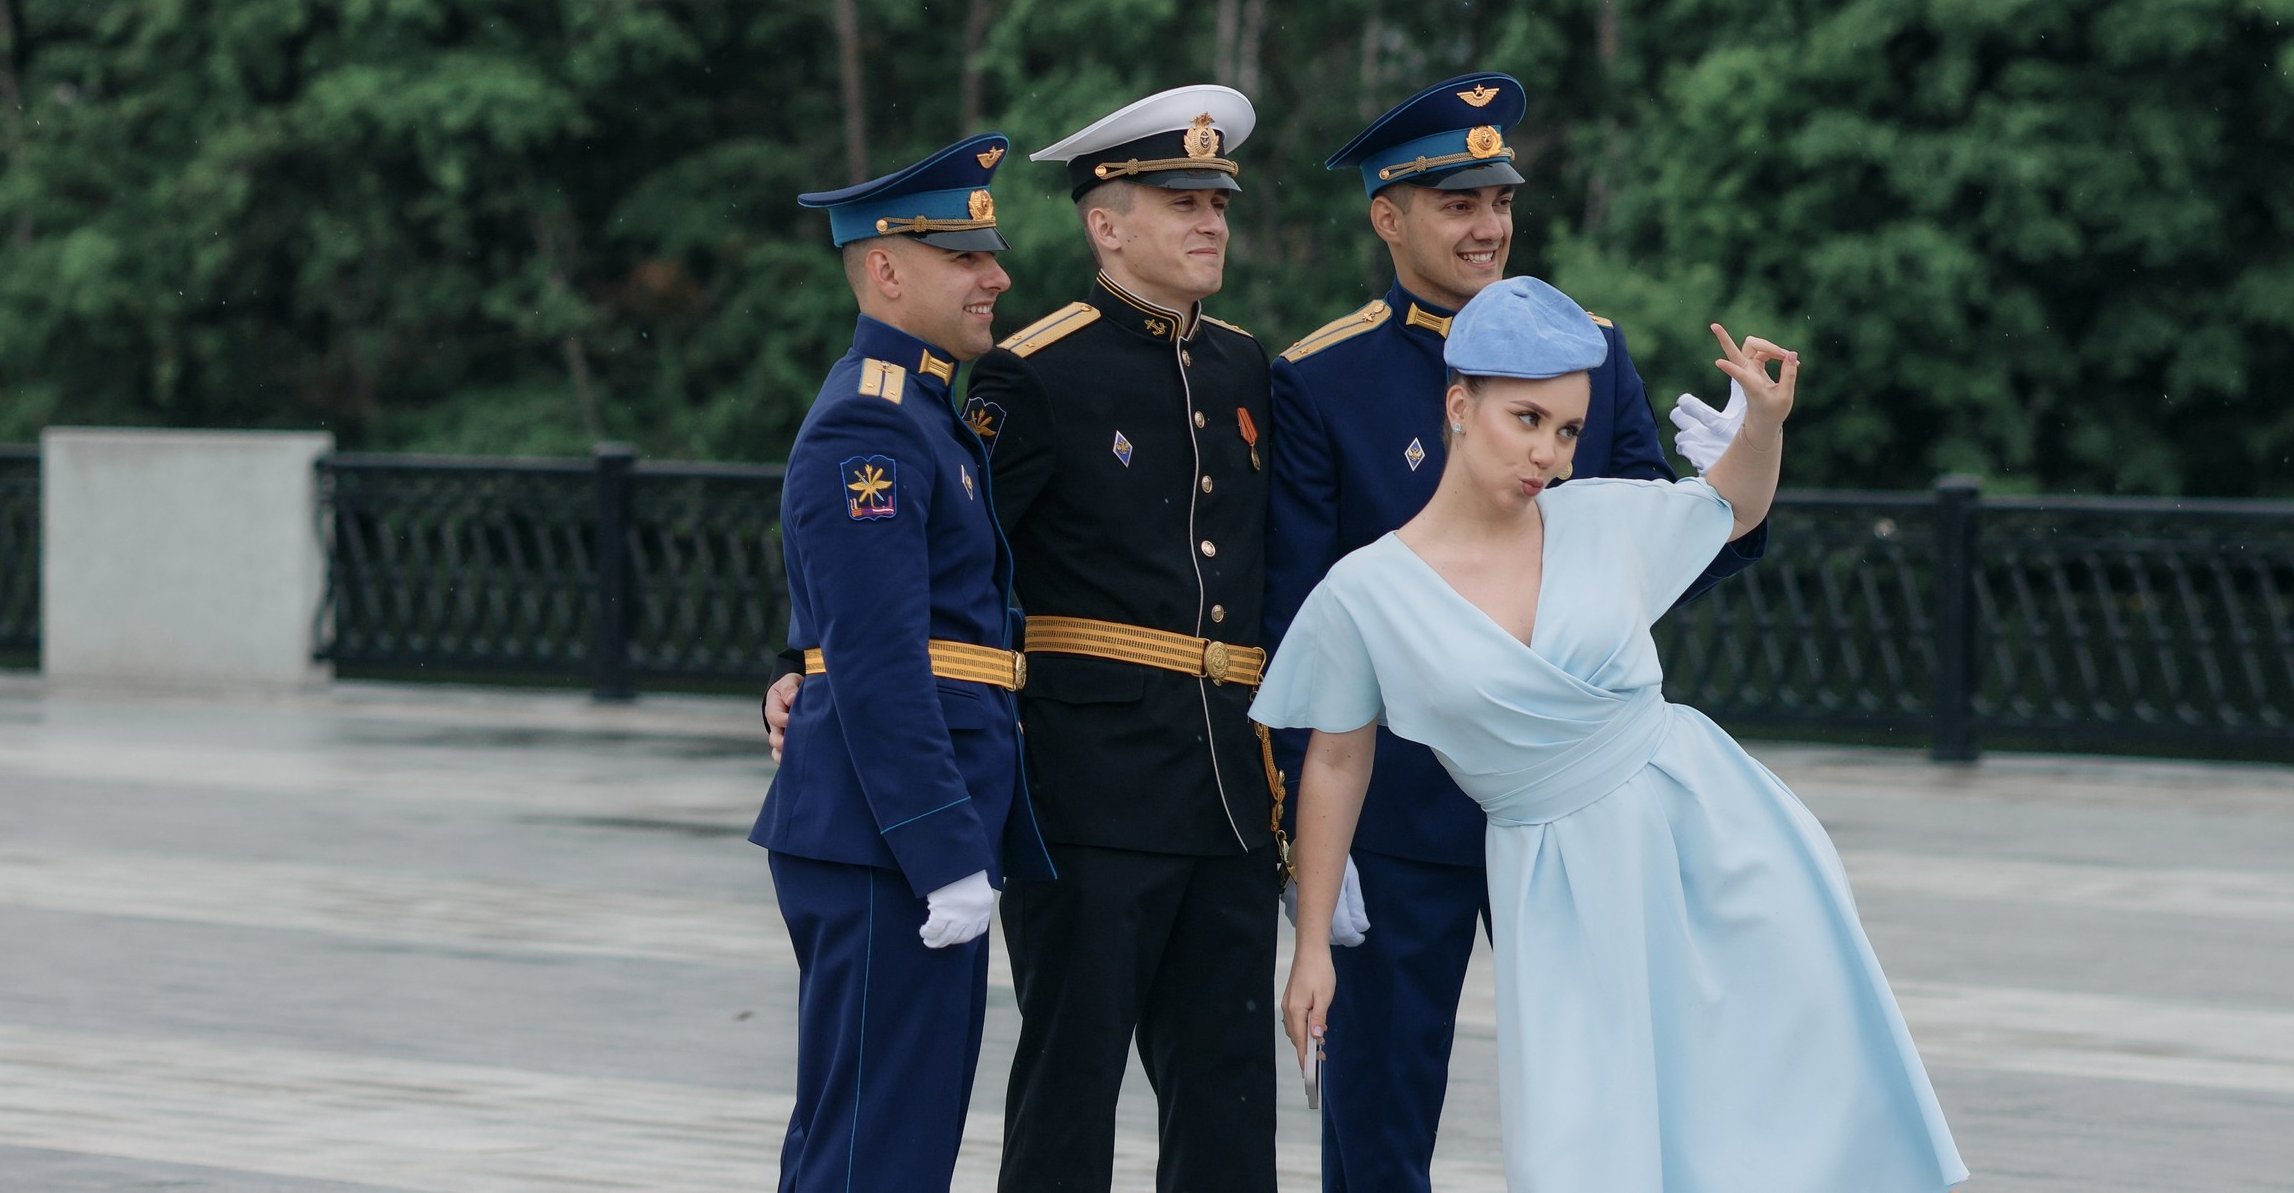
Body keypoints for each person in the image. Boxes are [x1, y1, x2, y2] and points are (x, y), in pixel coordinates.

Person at [1268, 277, 1968, 1193]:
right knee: (1585, 1137)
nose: (1549, 456)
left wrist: (1762, 428)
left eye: (1565, 430)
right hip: (1551, 880)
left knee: (1762, 1110)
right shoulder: (1365, 593)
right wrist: (1311, 942)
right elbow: (1336, 758)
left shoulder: (1600, 519)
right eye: (1527, 420)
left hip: (1711, 839)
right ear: (1458, 405)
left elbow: (1733, 508)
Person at [1260, 71, 1767, 1189]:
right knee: (1379, 1117)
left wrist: (1732, 476)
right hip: (1401, 812)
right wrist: (1310, 844)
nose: (1487, 225)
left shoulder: (1587, 349)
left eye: (1498, 200)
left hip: (1577, 805)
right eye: (1455, 202)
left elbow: (1649, 561)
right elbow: (1301, 617)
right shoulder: (1322, 377)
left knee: (1618, 1092)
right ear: (1386, 215)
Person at [969, 87, 1282, 1193]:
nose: (1210, 222)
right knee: (1070, 1092)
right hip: (1088, 797)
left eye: (1218, 202)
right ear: (1105, 222)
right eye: (1180, 199)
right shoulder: (1035, 371)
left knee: (1232, 1099)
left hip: (1231, 797)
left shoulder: (1247, 370)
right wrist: (800, 657)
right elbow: (948, 560)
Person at [751, 134, 1053, 1193]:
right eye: (965, 256)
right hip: (889, 839)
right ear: (887, 267)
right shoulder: (869, 426)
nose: (996, 276)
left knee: (896, 1139)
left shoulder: (920, 413)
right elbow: (878, 659)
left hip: (905, 831)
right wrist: (939, 847)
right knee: (870, 1149)